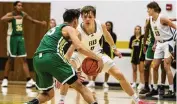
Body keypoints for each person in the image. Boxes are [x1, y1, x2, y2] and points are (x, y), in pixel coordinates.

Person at [59, 5, 154, 104]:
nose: (87, 19)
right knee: (67, 72)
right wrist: (65, 63)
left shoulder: (101, 25)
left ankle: (137, 100)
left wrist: (115, 49)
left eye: (90, 17)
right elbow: (73, 48)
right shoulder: (78, 31)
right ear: (81, 17)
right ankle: (61, 101)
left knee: (119, 74)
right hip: (81, 54)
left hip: (97, 53)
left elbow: (107, 36)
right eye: (84, 17)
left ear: (94, 17)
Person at [25, 9, 103, 104]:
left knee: (49, 94)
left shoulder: (55, 29)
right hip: (52, 57)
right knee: (80, 87)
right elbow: (80, 47)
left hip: (37, 60)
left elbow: (59, 53)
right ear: (75, 21)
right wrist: (98, 58)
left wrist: (67, 71)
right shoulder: (70, 29)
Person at [0, 1, 46, 88]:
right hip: (12, 38)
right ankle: (5, 79)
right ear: (14, 6)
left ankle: (29, 80)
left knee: (24, 59)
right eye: (19, 5)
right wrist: (14, 17)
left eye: (21, 5)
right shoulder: (10, 14)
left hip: (20, 37)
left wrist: (40, 23)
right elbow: (2, 19)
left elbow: (32, 20)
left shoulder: (23, 14)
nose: (21, 7)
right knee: (10, 59)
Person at [144, 1, 176, 97]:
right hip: (159, 43)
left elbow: (174, 26)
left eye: (149, 9)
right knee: (154, 66)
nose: (147, 11)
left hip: (168, 43)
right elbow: (156, 32)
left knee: (166, 66)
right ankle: (154, 88)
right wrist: (155, 43)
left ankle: (171, 91)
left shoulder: (162, 18)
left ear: (153, 9)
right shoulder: (150, 19)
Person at [86, 21, 117, 88]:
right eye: (106, 25)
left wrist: (115, 51)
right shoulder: (101, 33)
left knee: (109, 68)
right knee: (97, 67)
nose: (107, 26)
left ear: (111, 26)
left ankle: (105, 82)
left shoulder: (113, 35)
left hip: (110, 52)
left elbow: (113, 43)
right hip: (102, 51)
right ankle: (92, 81)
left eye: (109, 25)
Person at [129, 25, 144, 90]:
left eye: (138, 29)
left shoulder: (142, 37)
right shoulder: (132, 37)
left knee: (141, 70)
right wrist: (133, 44)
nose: (137, 30)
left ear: (140, 30)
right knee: (134, 70)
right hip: (134, 55)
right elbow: (130, 46)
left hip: (140, 55)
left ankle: (141, 83)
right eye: (136, 29)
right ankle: (134, 83)